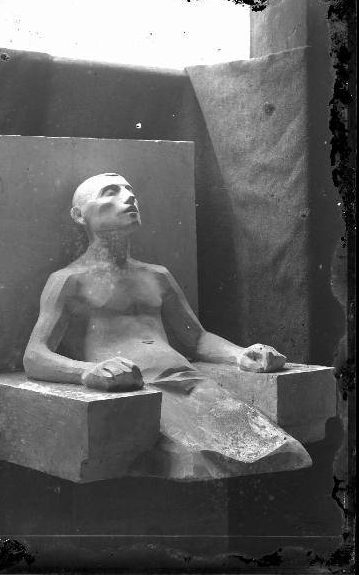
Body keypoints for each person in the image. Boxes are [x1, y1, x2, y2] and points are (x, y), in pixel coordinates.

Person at [24, 173, 312, 479]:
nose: (129, 197)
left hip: (191, 382)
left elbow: (197, 339)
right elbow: (34, 355)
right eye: (111, 192)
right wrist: (86, 371)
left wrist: (241, 354)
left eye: (129, 189)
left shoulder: (157, 275)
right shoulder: (69, 281)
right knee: (203, 459)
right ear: (79, 215)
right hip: (142, 388)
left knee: (275, 448)